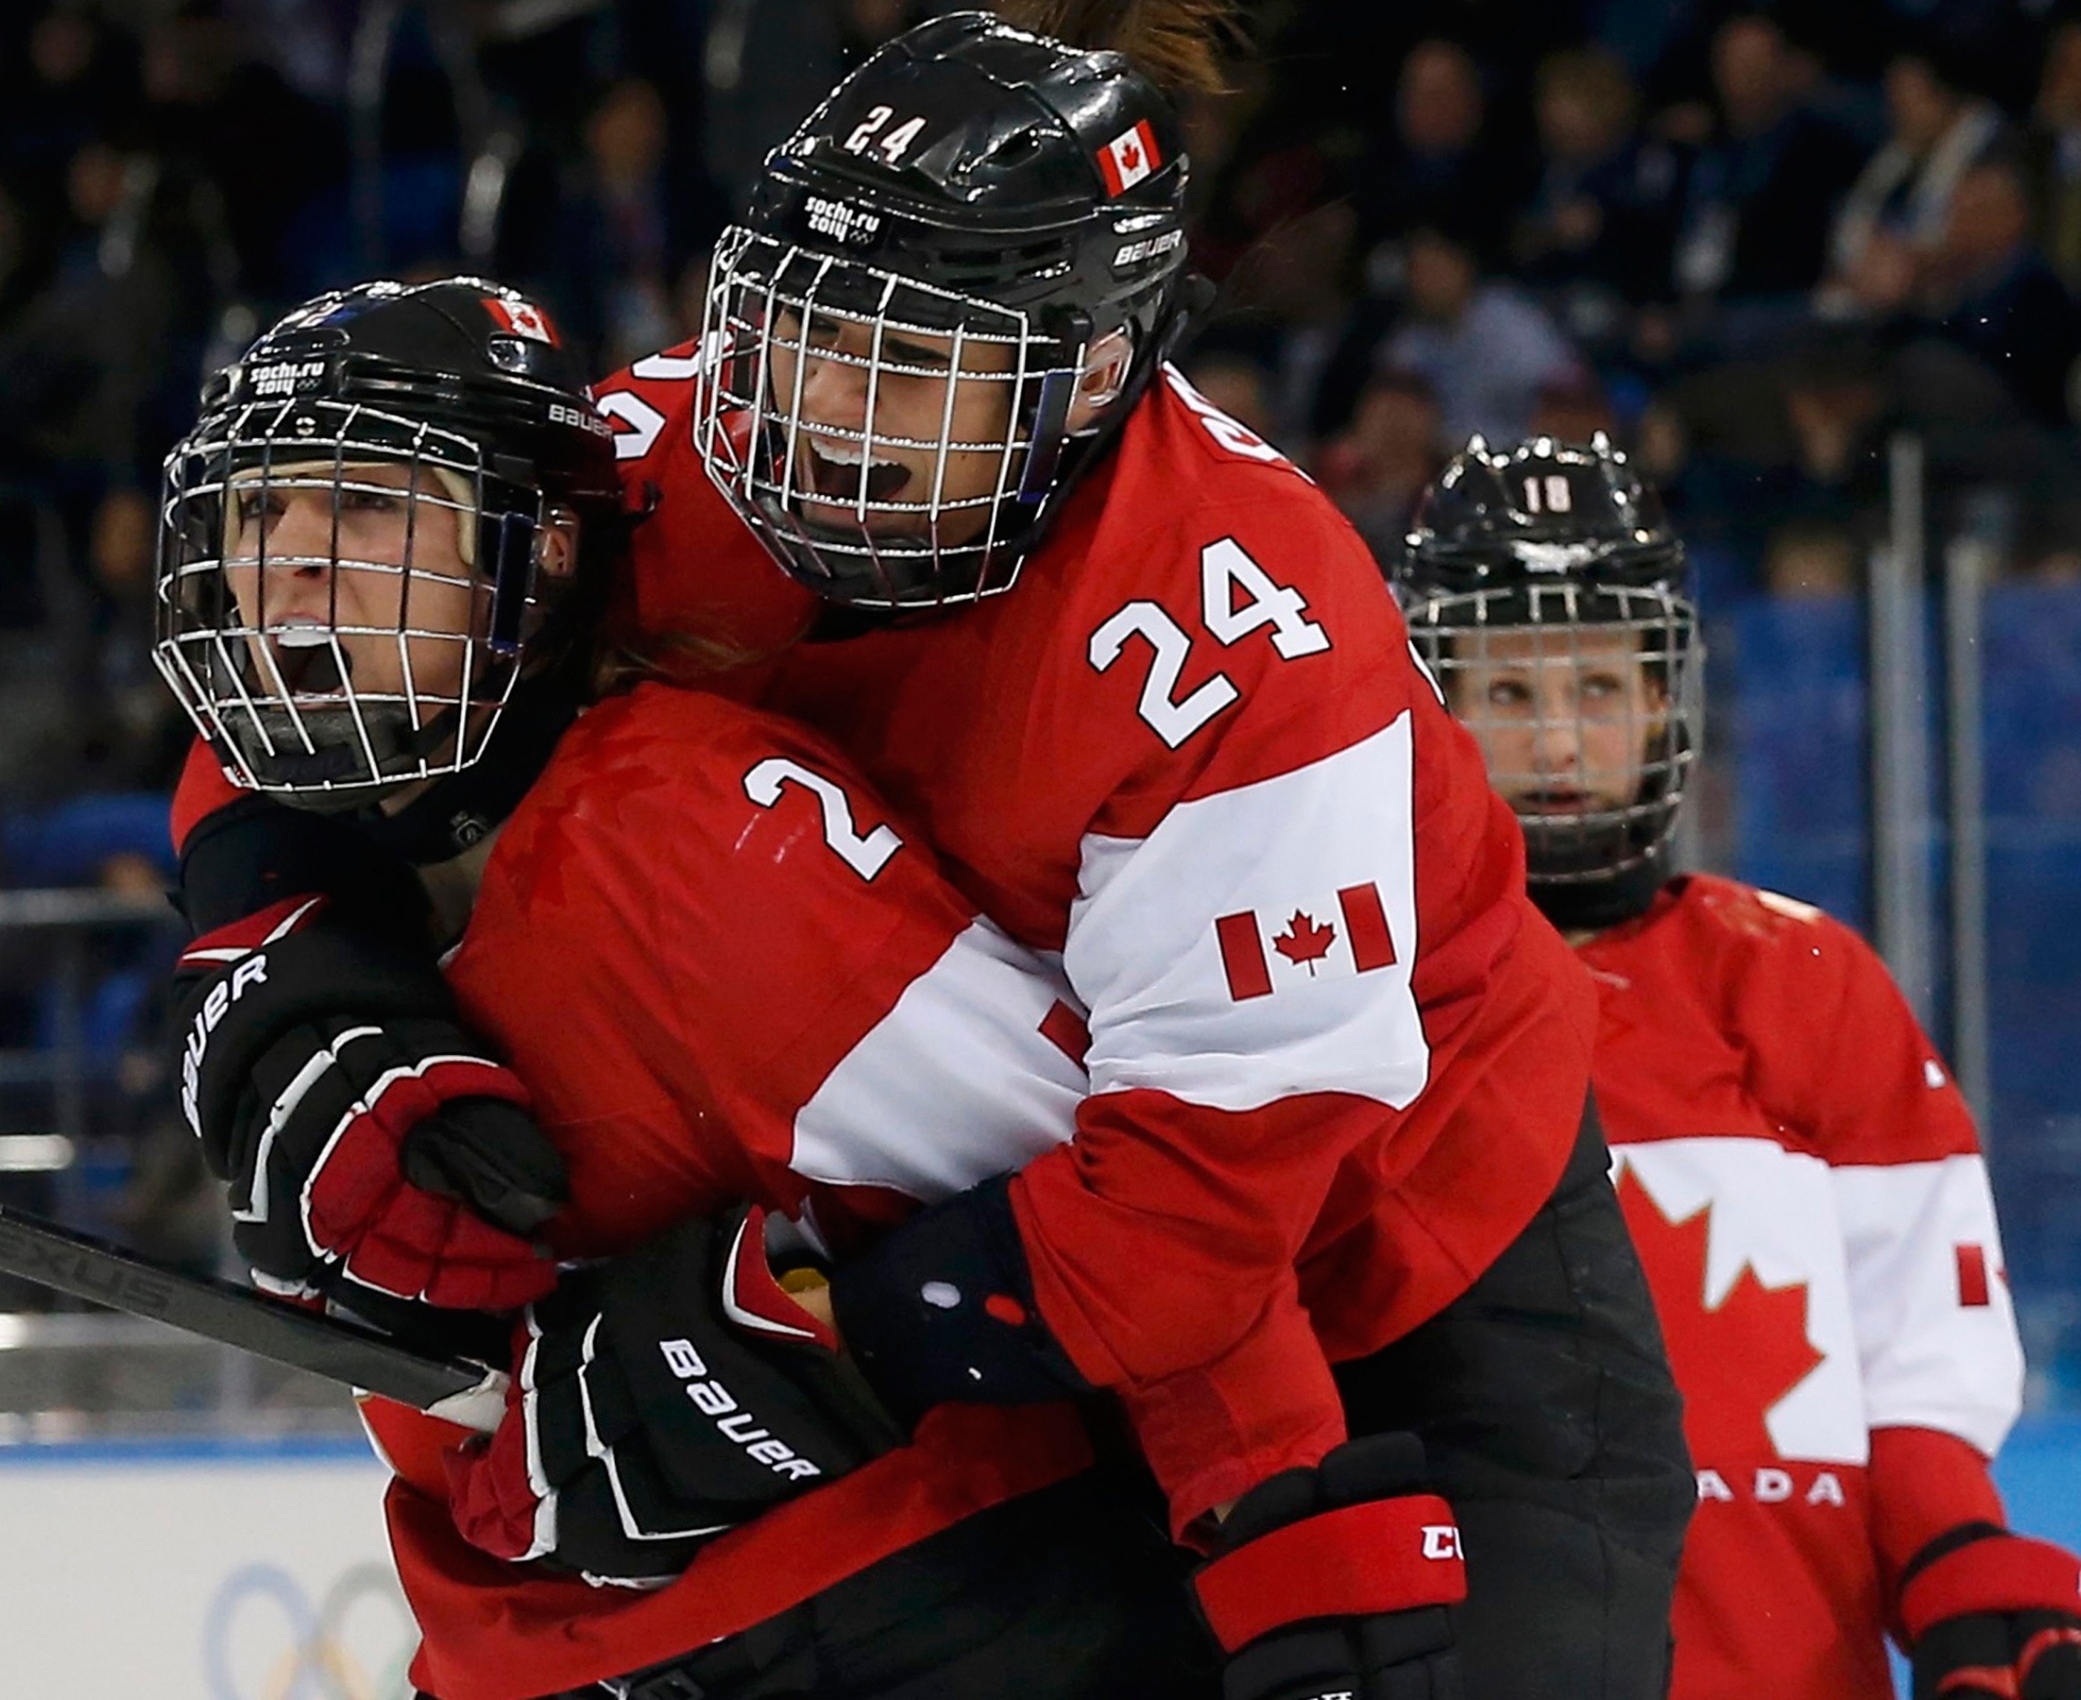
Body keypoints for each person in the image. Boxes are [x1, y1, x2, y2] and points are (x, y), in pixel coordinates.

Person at [178, 11, 1692, 1699]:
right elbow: (358, 624)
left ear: (1091, 375)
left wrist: (781, 1344)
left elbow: (1189, 1219)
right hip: (1072, 1272)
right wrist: (289, 968)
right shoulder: (690, 453)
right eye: (799, 326)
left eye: (899, 358)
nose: (811, 406)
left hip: (1415, 1265)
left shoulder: (1247, 644)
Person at [157, 276, 1221, 1700]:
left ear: (528, 558)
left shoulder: (695, 839)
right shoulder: (298, 955)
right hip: (550, 1652)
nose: (288, 562)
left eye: (365, 508)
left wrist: (809, 1344)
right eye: (256, 513)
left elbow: (1140, 1228)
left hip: (930, 1615)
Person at [1393, 434, 2081, 1700]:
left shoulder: (1804, 979)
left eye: (1597, 686)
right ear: (1429, 701)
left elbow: (1915, 1354)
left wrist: (1961, 1569)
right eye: (1505, 692)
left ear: (1665, 699)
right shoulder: (1360, 999)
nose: (1555, 738)